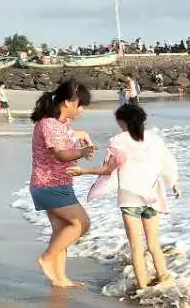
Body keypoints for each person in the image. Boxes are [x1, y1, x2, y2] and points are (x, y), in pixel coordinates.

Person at [68, 103, 180, 292]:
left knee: (136, 246)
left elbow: (107, 169)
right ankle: (164, 279)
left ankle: (143, 288)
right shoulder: (155, 140)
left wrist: (83, 171)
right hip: (152, 197)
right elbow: (167, 163)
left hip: (130, 199)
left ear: (122, 122)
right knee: (154, 244)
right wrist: (174, 183)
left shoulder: (117, 142)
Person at [29, 80, 95, 289]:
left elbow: (63, 136)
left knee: (62, 230)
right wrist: (82, 152)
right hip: (50, 185)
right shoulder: (49, 123)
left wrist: (80, 134)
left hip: (56, 184)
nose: (82, 110)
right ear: (68, 102)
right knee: (81, 223)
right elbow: (59, 154)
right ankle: (46, 258)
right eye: (80, 105)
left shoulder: (60, 123)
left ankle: (59, 279)